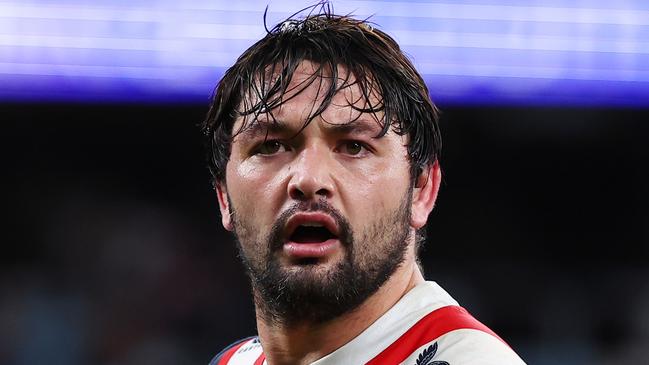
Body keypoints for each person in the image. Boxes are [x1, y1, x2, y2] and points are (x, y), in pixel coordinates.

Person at [201, 4, 527, 365]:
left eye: (354, 146)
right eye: (271, 146)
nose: (309, 179)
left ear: (421, 189)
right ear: (223, 197)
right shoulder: (232, 361)